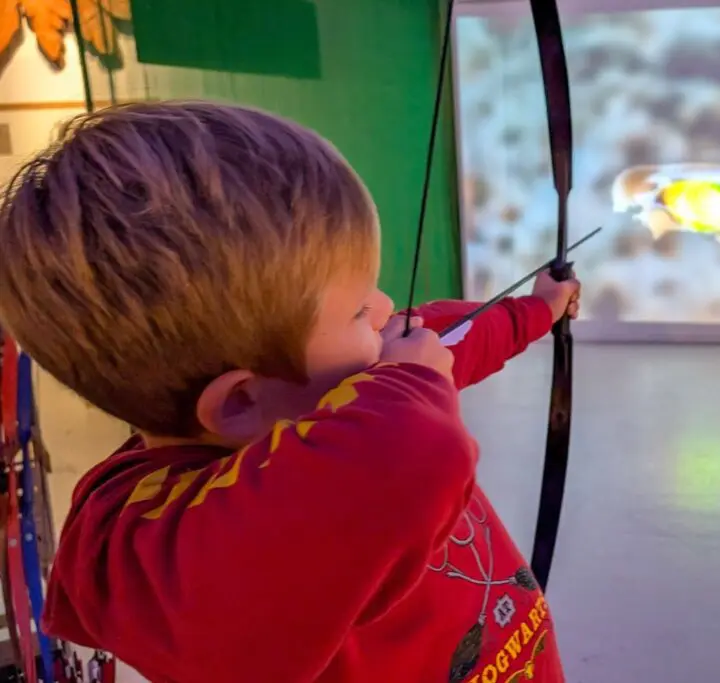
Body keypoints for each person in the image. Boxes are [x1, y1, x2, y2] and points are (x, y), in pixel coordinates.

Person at [0, 101, 580, 683]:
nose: (386, 310)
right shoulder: (141, 545)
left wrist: (538, 309)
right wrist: (412, 380)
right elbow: (407, 451)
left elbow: (444, 340)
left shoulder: (349, 399)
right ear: (241, 401)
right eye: (358, 311)